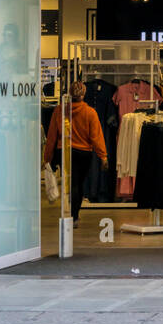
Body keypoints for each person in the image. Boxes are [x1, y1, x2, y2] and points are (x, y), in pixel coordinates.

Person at [43, 79, 108, 225]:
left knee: (71, 183)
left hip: (64, 152)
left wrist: (47, 157)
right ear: (84, 94)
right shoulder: (90, 113)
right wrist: (103, 156)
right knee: (78, 183)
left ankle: (70, 213)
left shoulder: (60, 110)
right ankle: (74, 215)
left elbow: (52, 136)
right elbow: (96, 137)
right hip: (83, 153)